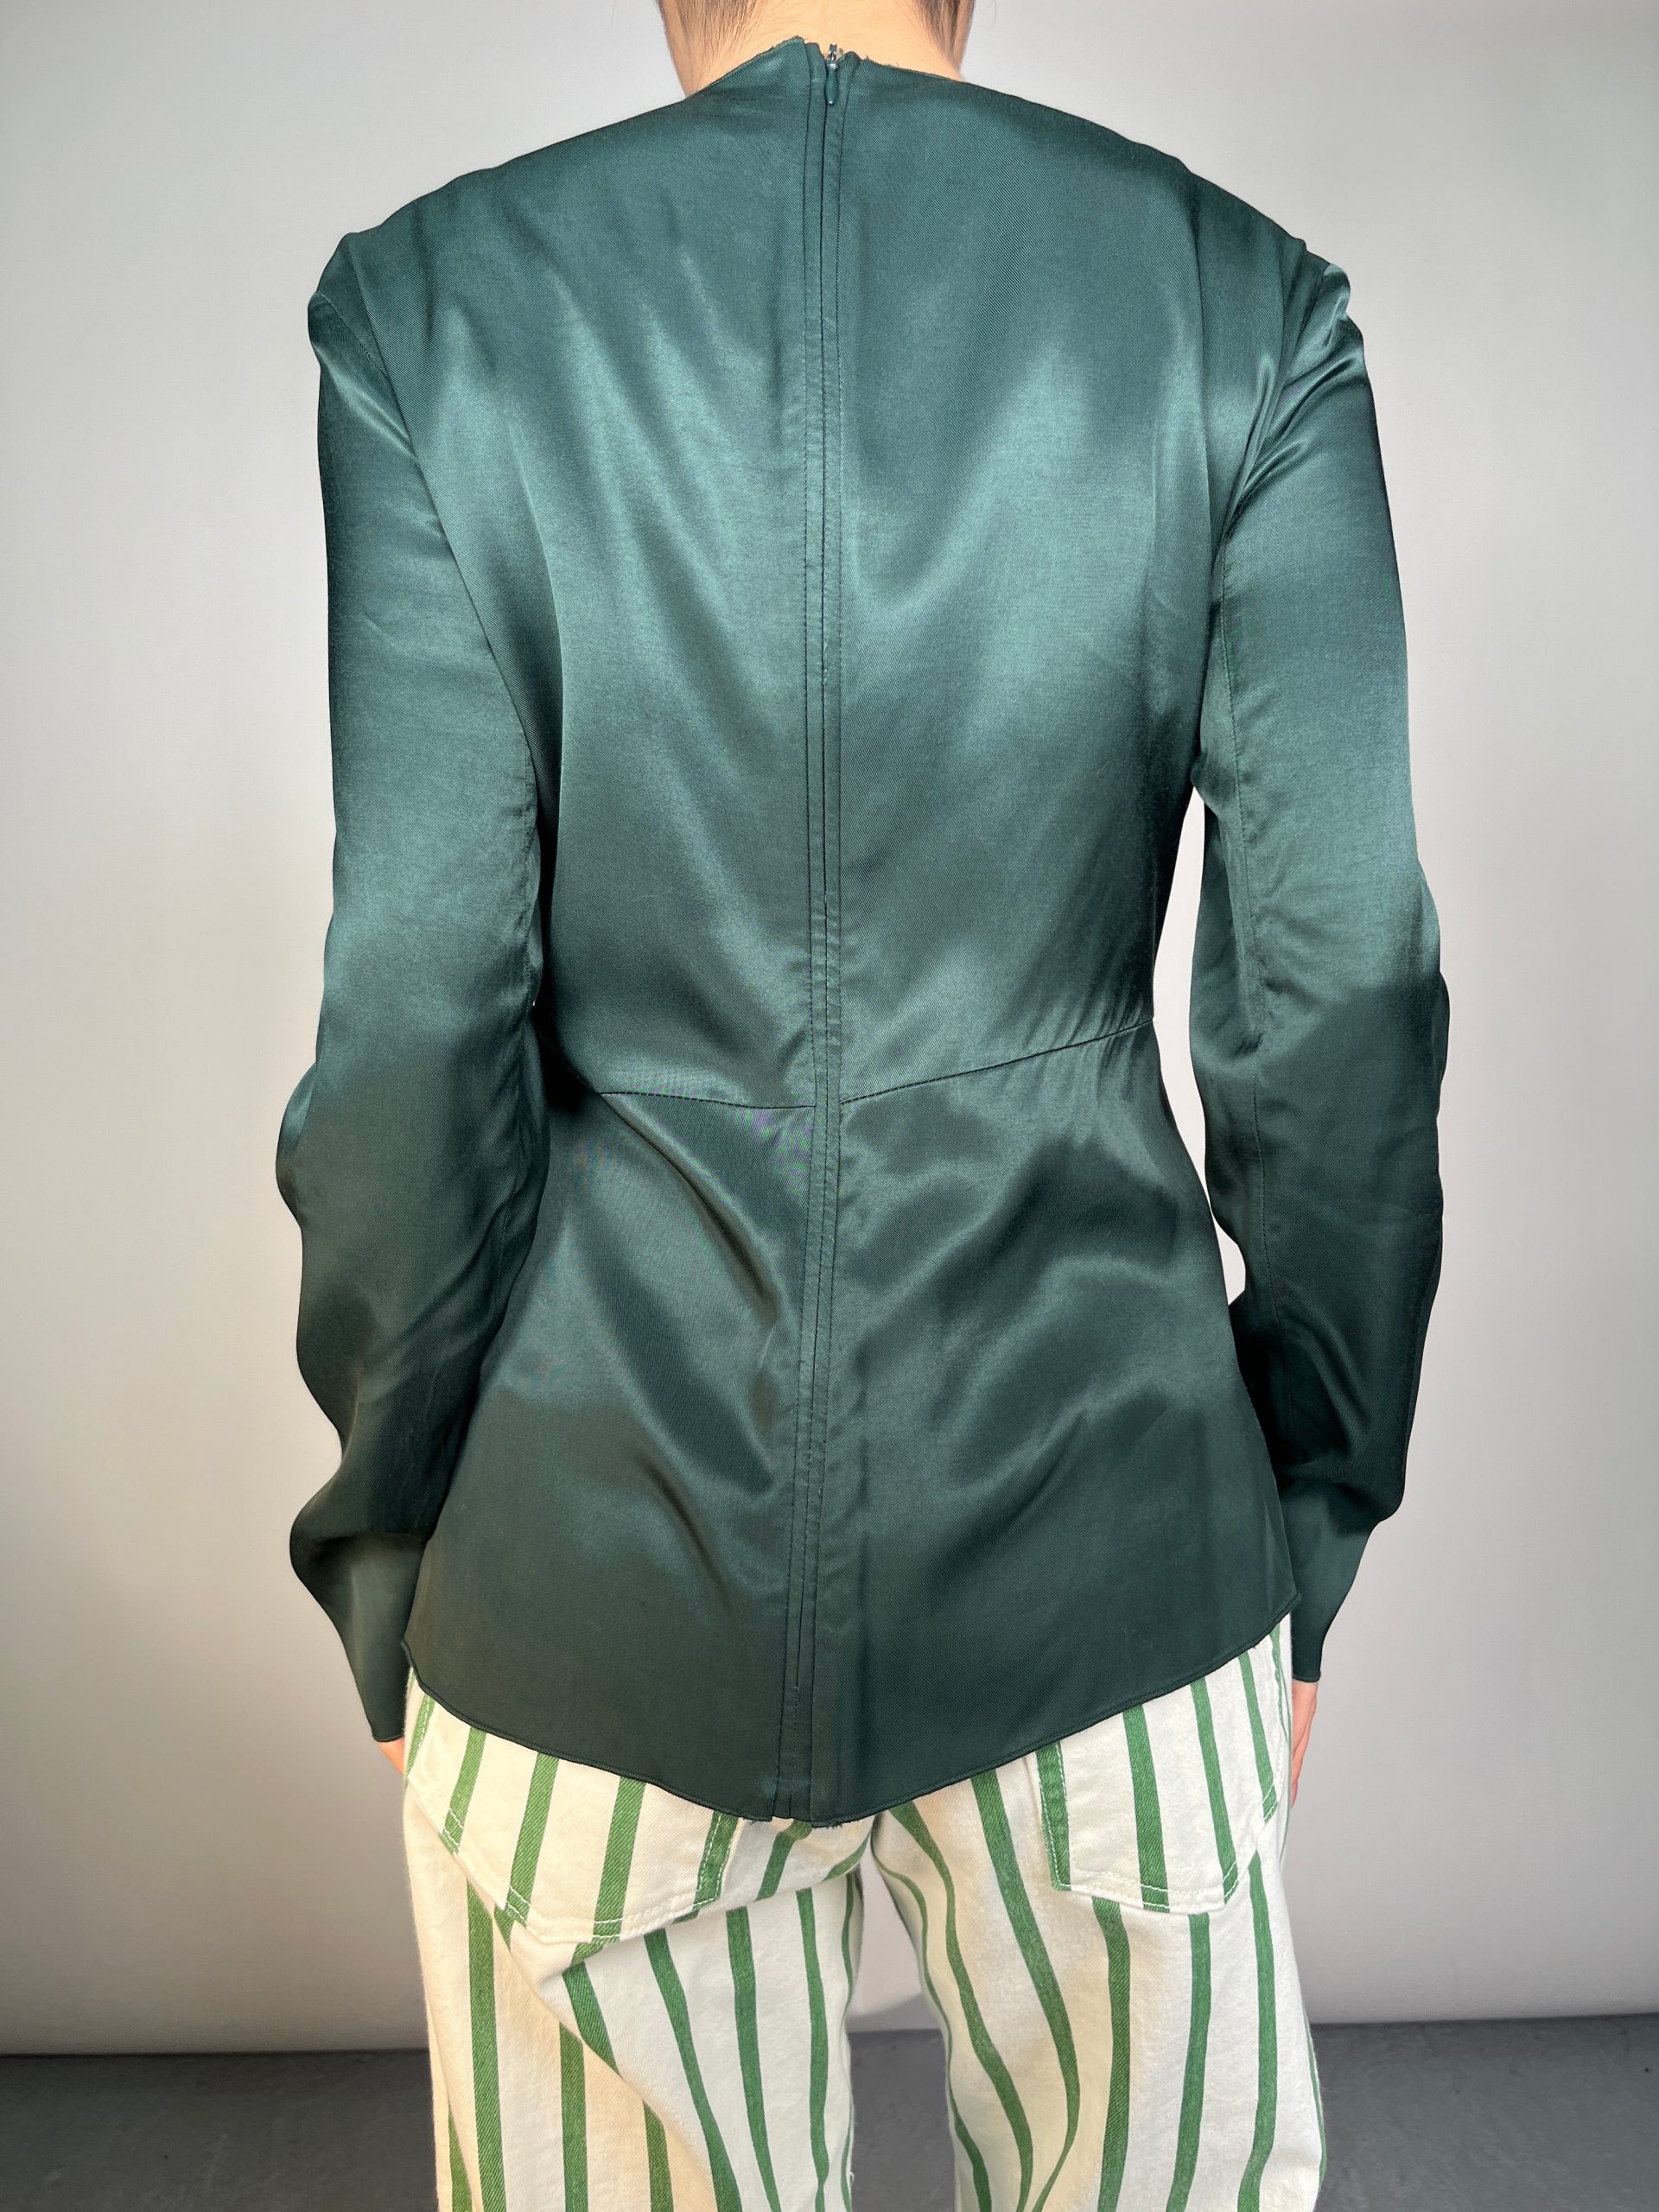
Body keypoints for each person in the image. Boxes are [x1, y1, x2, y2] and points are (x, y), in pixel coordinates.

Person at [275, 0, 1448, 2202]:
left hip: (593, 1569)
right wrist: (1309, 1506)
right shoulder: (1244, 308)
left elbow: (418, 1015)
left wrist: (403, 1544)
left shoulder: (432, 316)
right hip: (1119, 1544)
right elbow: (1345, 993)